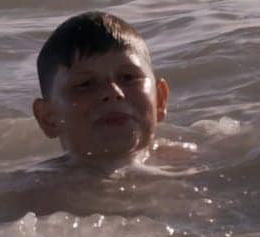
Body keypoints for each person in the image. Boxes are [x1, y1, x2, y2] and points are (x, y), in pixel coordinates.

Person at [31, 11, 171, 174]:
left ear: (160, 100)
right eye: (86, 84)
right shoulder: (31, 193)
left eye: (128, 77)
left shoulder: (198, 164)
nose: (113, 92)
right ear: (48, 118)